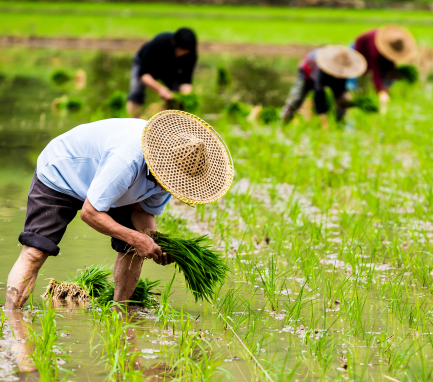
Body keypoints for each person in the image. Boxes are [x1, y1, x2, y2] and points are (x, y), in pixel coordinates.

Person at [4, 111, 234, 312]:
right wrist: (137, 238)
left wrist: (154, 243)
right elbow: (90, 213)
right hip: (62, 173)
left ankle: (120, 313)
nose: (172, 186)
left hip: (114, 186)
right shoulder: (128, 159)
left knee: (133, 249)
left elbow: (143, 214)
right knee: (35, 251)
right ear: (159, 163)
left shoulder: (173, 176)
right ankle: (11, 319)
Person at [281, 46, 367, 128]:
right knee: (297, 98)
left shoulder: (343, 71)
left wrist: (346, 101)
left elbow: (341, 91)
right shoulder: (322, 68)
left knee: (341, 99)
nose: (340, 76)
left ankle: (340, 123)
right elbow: (318, 94)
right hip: (307, 71)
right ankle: (283, 122)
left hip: (328, 75)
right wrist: (324, 123)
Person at [127, 28, 198, 118]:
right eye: (180, 50)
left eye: (185, 52)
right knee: (136, 94)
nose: (181, 54)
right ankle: (135, 122)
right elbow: (144, 74)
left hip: (170, 68)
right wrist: (160, 89)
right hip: (146, 65)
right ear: (174, 44)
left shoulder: (191, 54)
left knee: (175, 99)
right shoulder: (159, 43)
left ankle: (166, 124)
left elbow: (186, 80)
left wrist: (184, 96)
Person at [352, 25, 417, 113]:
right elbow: (375, 72)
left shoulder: (390, 47)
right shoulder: (374, 50)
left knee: (387, 78)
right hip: (359, 50)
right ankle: (359, 102)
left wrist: (391, 77)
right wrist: (381, 91)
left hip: (376, 55)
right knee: (362, 83)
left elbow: (390, 65)